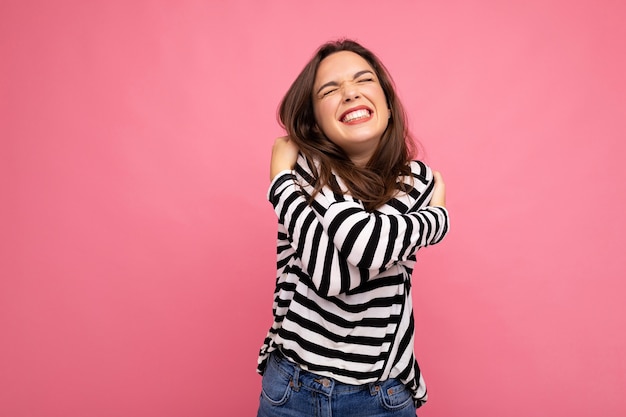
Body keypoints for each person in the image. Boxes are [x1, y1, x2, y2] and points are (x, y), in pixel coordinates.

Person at [256, 39, 449, 417]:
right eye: (329, 89)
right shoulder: (303, 170)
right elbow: (334, 277)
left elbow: (364, 246)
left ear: (389, 107)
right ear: (313, 121)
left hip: (379, 396)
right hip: (290, 388)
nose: (349, 93)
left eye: (363, 80)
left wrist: (279, 184)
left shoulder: (414, 179)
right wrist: (435, 221)